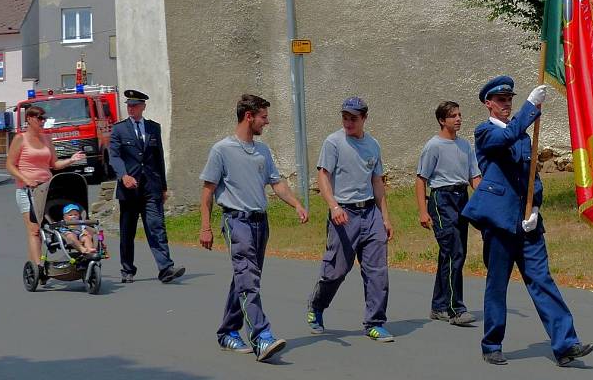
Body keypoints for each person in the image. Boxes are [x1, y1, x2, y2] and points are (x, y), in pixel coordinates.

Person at [462, 76, 593, 367]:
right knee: (497, 284)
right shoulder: (485, 132)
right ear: (488, 104)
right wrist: (530, 106)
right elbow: (505, 138)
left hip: (527, 223)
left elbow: (532, 175)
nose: (506, 104)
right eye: (501, 100)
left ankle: (565, 344)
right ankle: (492, 343)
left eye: (510, 99)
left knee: (542, 280)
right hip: (499, 222)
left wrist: (535, 207)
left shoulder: (524, 135)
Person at [199, 94, 308, 362]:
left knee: (244, 277)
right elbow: (208, 191)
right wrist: (205, 227)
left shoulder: (262, 151)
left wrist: (296, 203)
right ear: (249, 116)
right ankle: (261, 336)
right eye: (263, 116)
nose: (266, 122)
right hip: (236, 221)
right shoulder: (222, 150)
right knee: (248, 278)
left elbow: (276, 182)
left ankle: (227, 332)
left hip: (261, 223)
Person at [307, 97, 395, 343]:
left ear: (364, 118)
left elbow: (377, 182)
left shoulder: (373, 145)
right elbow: (323, 177)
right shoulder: (333, 142)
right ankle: (317, 306)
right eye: (345, 117)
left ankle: (375, 322)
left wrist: (385, 218)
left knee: (378, 271)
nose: (348, 122)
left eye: (353, 118)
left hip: (370, 213)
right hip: (343, 214)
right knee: (336, 271)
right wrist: (333, 206)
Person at [415, 101, 481, 327]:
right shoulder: (433, 146)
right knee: (455, 252)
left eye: (460, 115)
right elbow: (421, 179)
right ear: (442, 120)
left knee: (449, 254)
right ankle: (456, 309)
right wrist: (423, 212)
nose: (458, 119)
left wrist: (486, 199)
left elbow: (474, 178)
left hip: (462, 199)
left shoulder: (465, 146)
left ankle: (438, 306)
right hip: (442, 200)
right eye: (453, 116)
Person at [109, 89, 185, 284]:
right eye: (129, 105)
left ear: (143, 106)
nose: (131, 109)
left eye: (134, 105)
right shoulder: (119, 129)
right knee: (128, 231)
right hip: (129, 188)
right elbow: (115, 156)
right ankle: (127, 269)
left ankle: (165, 268)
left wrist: (164, 187)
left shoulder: (153, 128)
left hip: (151, 187)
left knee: (156, 226)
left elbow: (158, 157)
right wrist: (123, 175)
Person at [6, 106, 86, 268]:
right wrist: (25, 178)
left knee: (53, 224)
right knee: (35, 229)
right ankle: (38, 266)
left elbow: (54, 164)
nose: (43, 121)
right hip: (27, 190)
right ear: (29, 118)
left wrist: (71, 160)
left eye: (44, 118)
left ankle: (74, 251)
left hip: (47, 188)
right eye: (39, 118)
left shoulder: (46, 139)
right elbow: (9, 165)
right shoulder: (20, 139)